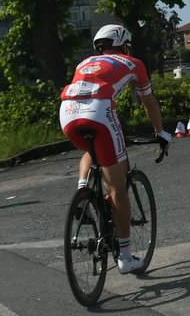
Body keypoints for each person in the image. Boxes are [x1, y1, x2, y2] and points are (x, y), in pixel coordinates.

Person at [59, 24, 173, 274]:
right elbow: (149, 101)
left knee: (91, 150)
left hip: (67, 112)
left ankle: (82, 193)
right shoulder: (133, 62)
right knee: (116, 185)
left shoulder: (84, 63)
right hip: (99, 111)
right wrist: (160, 132)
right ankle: (124, 256)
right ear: (123, 42)